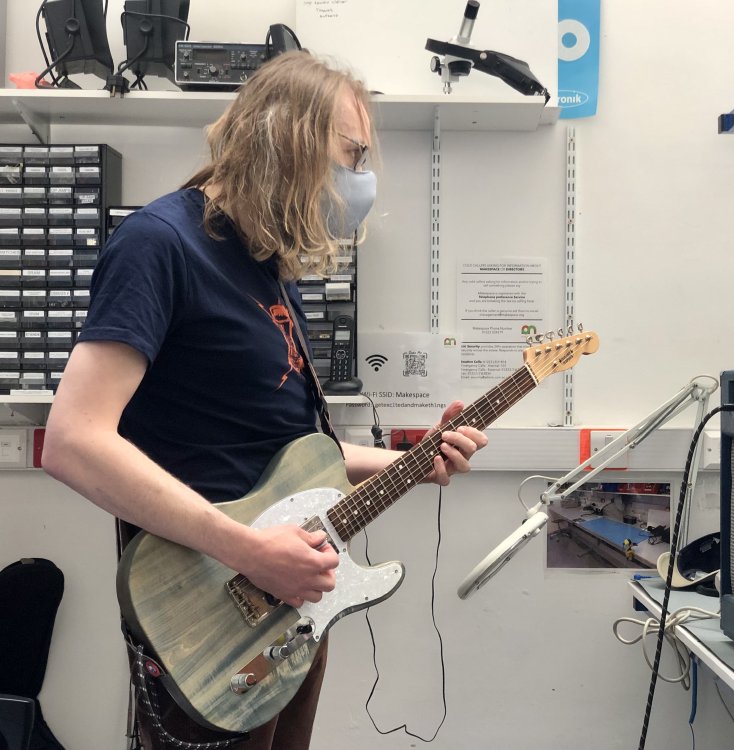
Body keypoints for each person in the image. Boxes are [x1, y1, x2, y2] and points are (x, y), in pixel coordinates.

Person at [41, 51, 488, 750]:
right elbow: (73, 441)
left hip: (287, 604)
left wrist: (414, 458)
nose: (362, 177)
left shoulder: (266, 265)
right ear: (287, 141)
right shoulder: (159, 245)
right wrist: (249, 550)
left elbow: (290, 452)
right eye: (353, 153)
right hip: (208, 609)